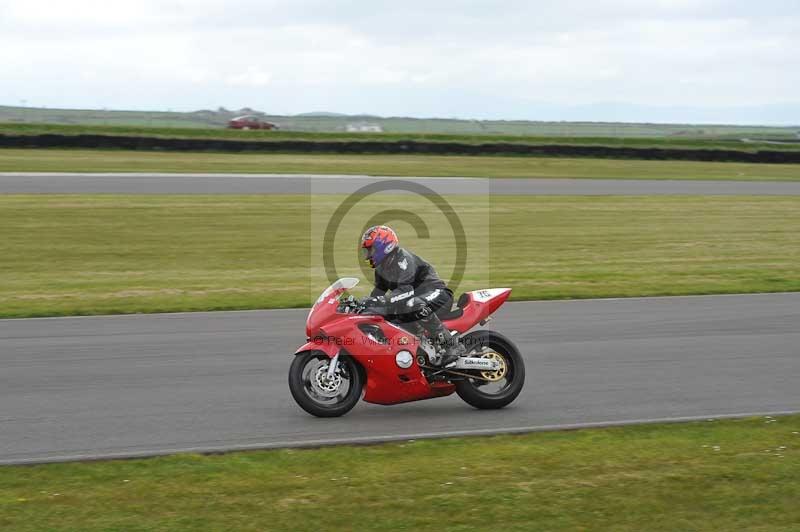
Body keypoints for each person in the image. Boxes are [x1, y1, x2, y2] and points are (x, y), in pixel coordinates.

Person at [359, 225, 463, 366]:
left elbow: (406, 292)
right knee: (384, 314)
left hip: (438, 295)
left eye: (371, 249)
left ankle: (451, 345)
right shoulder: (381, 268)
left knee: (412, 304)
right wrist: (361, 305)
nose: (368, 254)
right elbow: (377, 294)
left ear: (383, 246)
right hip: (414, 301)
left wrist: (379, 300)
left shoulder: (403, 260)